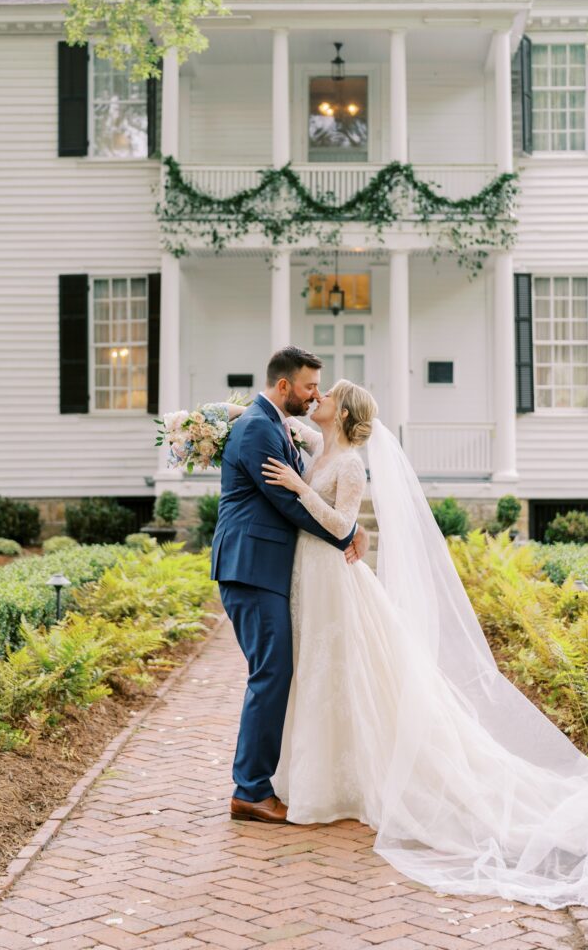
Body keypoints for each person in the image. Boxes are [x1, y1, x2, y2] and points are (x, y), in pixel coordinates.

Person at [260, 378, 588, 909]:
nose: (316, 400)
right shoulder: (317, 446)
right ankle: (315, 779)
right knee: (319, 672)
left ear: (343, 412)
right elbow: (280, 417)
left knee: (341, 671)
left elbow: (343, 525)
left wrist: (299, 489)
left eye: (327, 396)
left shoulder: (351, 464)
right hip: (309, 576)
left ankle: (347, 785)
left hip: (333, 575)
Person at [211, 347, 369, 824]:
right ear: (284, 387)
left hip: (267, 568)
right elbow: (288, 505)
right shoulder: (260, 428)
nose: (314, 394)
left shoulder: (272, 422)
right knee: (272, 673)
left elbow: (297, 440)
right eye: (308, 387)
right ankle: (251, 790)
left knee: (276, 672)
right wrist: (347, 530)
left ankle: (261, 782)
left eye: (320, 390)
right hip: (252, 566)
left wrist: (348, 527)